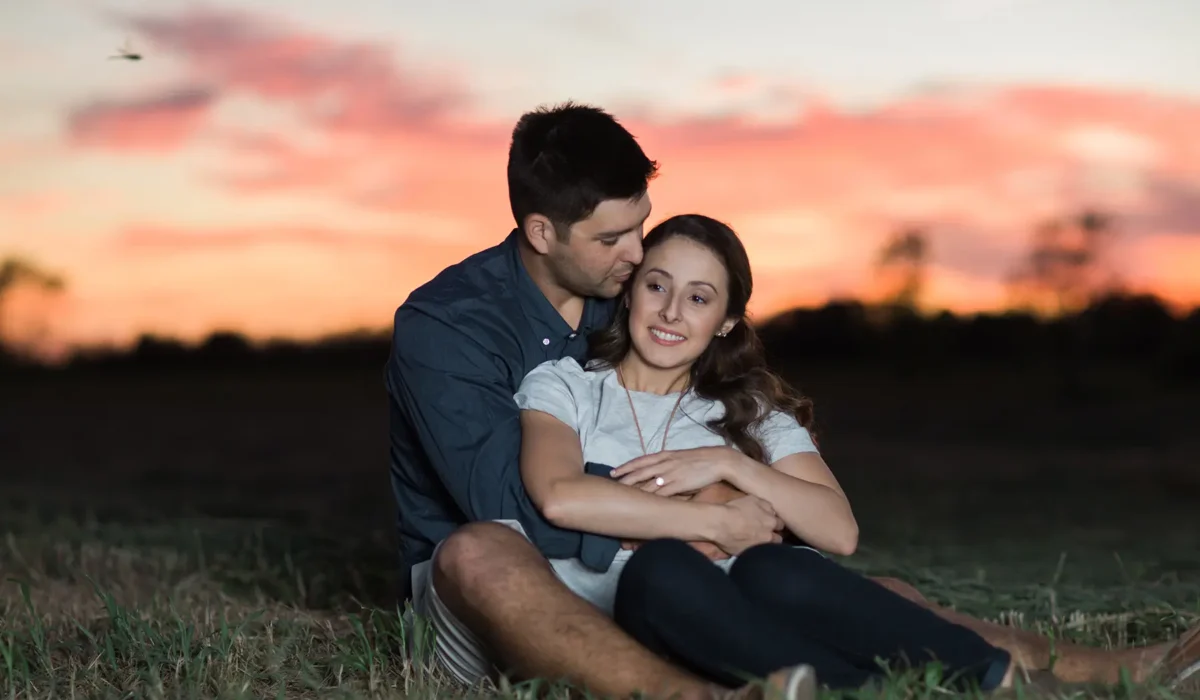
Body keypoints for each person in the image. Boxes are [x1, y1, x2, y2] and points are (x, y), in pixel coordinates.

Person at [385, 102, 1200, 699]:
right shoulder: (447, 328)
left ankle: (1093, 671)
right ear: (540, 233)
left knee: (850, 592)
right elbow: (517, 502)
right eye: (615, 242)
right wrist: (706, 503)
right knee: (480, 550)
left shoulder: (629, 297)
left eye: (643, 229)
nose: (639, 261)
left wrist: (729, 495)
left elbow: (760, 454)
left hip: (675, 566)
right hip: (517, 584)